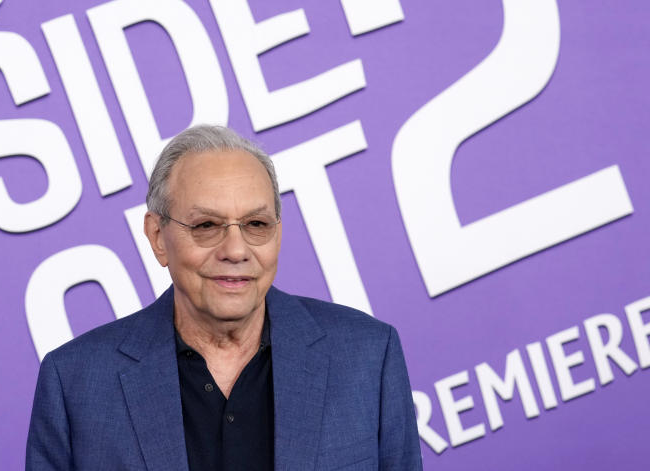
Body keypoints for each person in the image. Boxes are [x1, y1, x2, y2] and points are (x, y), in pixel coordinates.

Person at [26, 125, 422, 470]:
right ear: (157, 237)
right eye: (206, 225)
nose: (236, 249)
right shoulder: (74, 383)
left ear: (278, 233)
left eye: (256, 224)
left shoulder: (369, 357)